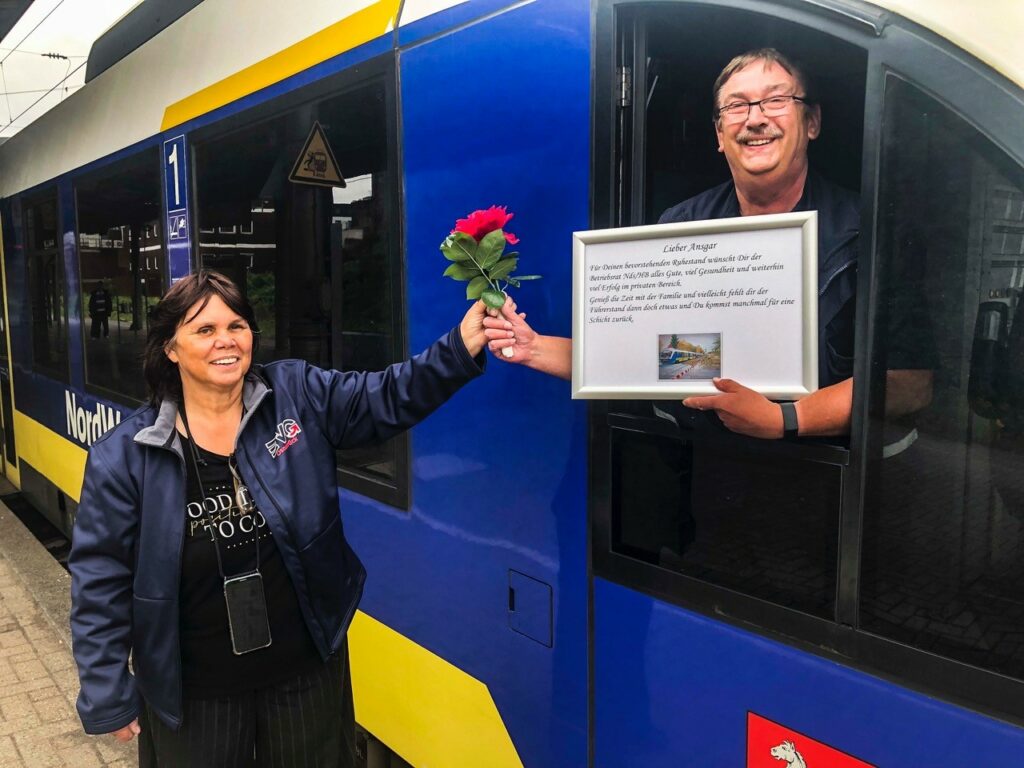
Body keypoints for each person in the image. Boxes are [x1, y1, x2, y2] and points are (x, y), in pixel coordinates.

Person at [69, 271, 489, 766]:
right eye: (203, 330)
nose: (225, 340)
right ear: (170, 348)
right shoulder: (125, 457)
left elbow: (386, 396)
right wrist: (107, 691)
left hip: (304, 670)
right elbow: (99, 579)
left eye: (237, 325)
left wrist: (459, 348)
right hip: (194, 690)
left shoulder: (296, 394)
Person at [484, 48, 932, 436]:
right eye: (736, 107)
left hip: (831, 479)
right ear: (720, 135)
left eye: (776, 100)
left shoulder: (869, 232)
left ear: (811, 121)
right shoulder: (682, 225)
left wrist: (786, 420)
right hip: (707, 469)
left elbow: (909, 381)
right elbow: (654, 358)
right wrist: (534, 347)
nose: (755, 118)